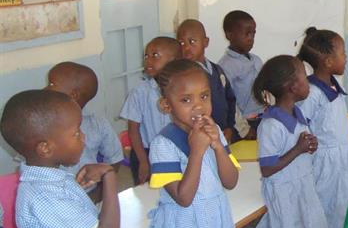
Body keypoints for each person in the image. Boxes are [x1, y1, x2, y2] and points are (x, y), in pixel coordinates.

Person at [1, 90, 133, 228]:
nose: (83, 138)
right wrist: (109, 177)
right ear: (45, 148)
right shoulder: (42, 197)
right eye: (75, 133)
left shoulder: (55, 178)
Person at [147, 59, 241, 228]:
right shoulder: (163, 145)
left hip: (214, 221)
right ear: (167, 105)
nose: (199, 106)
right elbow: (184, 197)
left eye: (204, 96)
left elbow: (230, 181)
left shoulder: (215, 131)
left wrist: (218, 147)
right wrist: (197, 151)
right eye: (186, 100)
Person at [248, 55, 330, 228]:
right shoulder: (271, 125)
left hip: (303, 186)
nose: (309, 83)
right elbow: (267, 167)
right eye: (305, 78)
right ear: (292, 87)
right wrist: (298, 149)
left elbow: (301, 146)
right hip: (283, 192)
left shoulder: (298, 114)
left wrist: (309, 146)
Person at [298, 27, 348, 228]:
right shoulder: (313, 92)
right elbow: (300, 124)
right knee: (326, 203)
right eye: (342, 53)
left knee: (344, 200)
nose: (346, 57)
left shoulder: (334, 86)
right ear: (327, 62)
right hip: (325, 161)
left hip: (342, 156)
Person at [46, 62, 124, 203]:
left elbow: (115, 157)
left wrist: (102, 190)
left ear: (73, 94)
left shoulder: (97, 124)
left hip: (89, 193)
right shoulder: (42, 125)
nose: (45, 89)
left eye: (52, 84)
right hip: (51, 198)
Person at [120, 36, 181, 185]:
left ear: (174, 60)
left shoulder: (182, 90)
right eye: (146, 56)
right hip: (145, 153)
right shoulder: (140, 92)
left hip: (177, 150)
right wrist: (143, 161)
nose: (148, 60)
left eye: (155, 56)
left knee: (176, 188)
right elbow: (133, 130)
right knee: (147, 194)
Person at [176, 19, 238, 143]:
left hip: (223, 132)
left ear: (205, 42)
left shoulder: (217, 70)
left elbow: (230, 100)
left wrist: (229, 127)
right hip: (200, 135)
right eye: (181, 43)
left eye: (192, 41)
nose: (186, 47)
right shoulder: (183, 76)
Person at [218, 10, 264, 138]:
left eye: (253, 34)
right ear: (229, 35)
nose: (250, 38)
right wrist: (244, 129)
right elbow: (227, 102)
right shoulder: (225, 66)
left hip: (262, 119)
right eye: (246, 33)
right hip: (244, 125)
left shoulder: (257, 60)